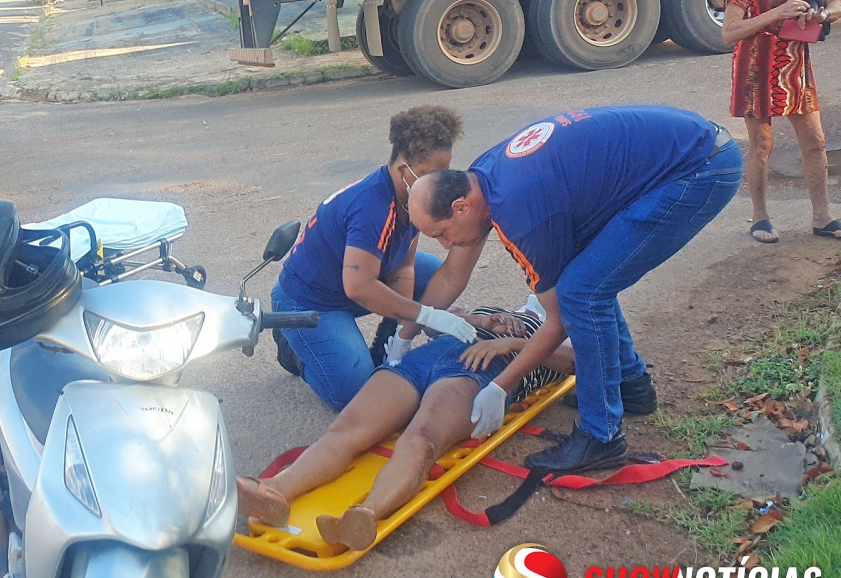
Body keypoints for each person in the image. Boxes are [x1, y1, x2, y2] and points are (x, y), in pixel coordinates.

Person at [406, 105, 743, 474]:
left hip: (697, 170)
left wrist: (500, 385)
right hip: (687, 149)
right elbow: (455, 273)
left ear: (460, 207)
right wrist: (406, 333)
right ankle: (631, 385)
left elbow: (559, 320)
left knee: (581, 294)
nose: (444, 245)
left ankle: (602, 437)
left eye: (440, 233)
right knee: (585, 279)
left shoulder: (522, 214)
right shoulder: (481, 176)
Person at [237, 304, 574, 550]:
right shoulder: (503, 309)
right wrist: (480, 319)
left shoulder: (565, 331)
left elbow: (573, 361)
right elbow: (434, 325)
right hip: (427, 358)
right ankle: (274, 490)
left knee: (421, 440)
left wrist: (511, 345)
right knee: (347, 429)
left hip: (481, 370)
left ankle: (364, 515)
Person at [271, 105, 476, 411]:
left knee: (433, 274)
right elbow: (360, 288)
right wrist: (426, 315)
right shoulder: (372, 209)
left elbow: (404, 265)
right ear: (405, 170)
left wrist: (396, 338)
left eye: (444, 173)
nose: (440, 186)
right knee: (354, 395)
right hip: (311, 300)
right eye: (431, 175)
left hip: (361, 275)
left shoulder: (412, 197)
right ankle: (296, 351)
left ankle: (378, 348)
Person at [722, 0, 841, 243]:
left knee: (815, 143)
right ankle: (760, 218)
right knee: (761, 145)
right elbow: (729, 33)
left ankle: (822, 216)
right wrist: (777, 12)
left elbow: (835, 4)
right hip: (755, 71)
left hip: (796, 71)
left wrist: (822, 14)